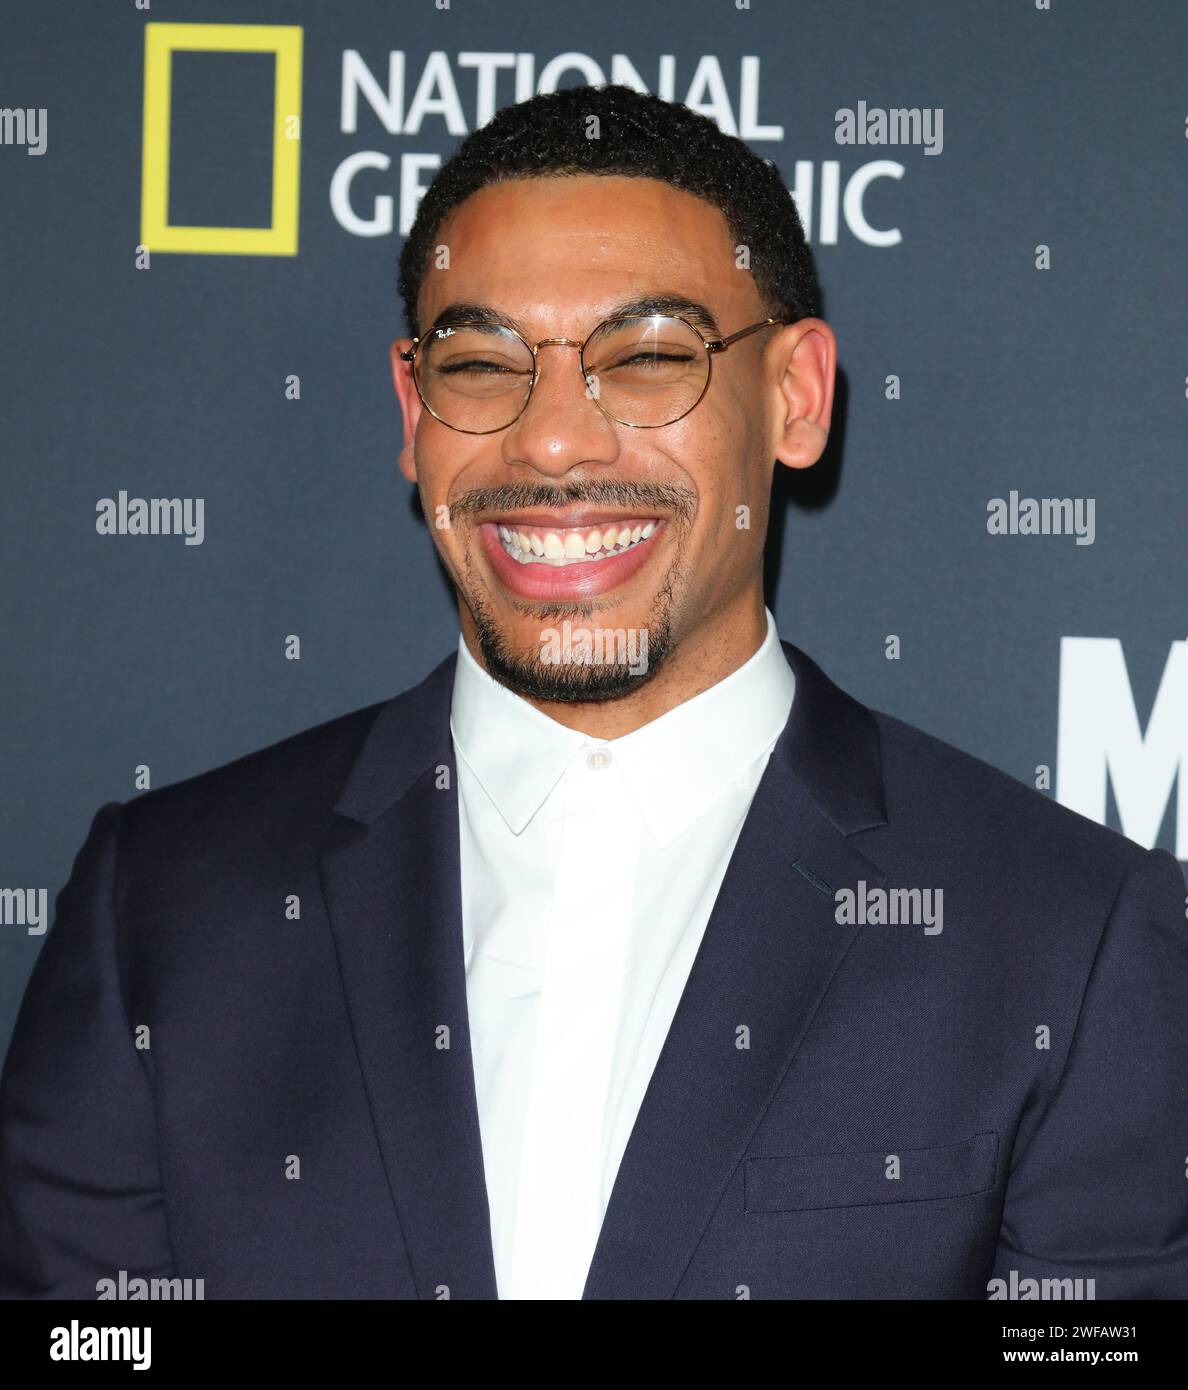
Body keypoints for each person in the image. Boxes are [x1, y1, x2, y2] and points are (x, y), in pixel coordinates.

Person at [1, 85, 1184, 1301]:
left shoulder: (1063, 938)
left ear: (796, 396)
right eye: (479, 363)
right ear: (414, 415)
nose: (554, 440)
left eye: (650, 356)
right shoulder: (161, 907)